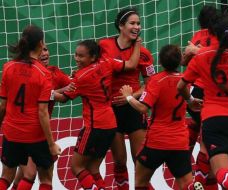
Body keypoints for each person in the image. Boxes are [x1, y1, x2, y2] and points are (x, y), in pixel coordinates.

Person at [177, 15, 228, 190]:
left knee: (221, 172)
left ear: (215, 35)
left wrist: (190, 100)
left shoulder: (202, 55)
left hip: (214, 117)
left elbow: (180, 86)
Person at [53, 38, 141, 189]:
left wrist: (46, 92)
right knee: (93, 169)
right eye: (76, 55)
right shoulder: (107, 62)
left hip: (94, 126)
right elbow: (132, 64)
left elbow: (62, 99)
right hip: (110, 124)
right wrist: (137, 44)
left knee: (76, 167)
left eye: (81, 56)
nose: (77, 59)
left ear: (93, 57)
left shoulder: (81, 78)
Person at [119, 44, 203, 190]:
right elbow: (191, 103)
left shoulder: (156, 81)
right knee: (185, 183)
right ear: (179, 61)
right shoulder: (185, 82)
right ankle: (191, 187)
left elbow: (142, 108)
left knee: (140, 183)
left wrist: (128, 97)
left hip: (157, 141)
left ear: (160, 62)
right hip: (179, 141)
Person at [99, 7, 155, 190]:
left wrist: (132, 96)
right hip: (111, 110)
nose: (137, 27)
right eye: (132, 23)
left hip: (133, 109)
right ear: (121, 26)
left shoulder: (144, 53)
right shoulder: (104, 46)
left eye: (138, 23)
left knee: (140, 161)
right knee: (119, 161)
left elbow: (151, 84)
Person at [0, 25, 61, 190]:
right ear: (41, 43)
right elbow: (42, 113)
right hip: (35, 136)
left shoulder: (8, 68)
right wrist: (51, 144)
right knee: (46, 178)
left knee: (6, 176)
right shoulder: (44, 74)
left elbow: (3, 106)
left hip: (11, 133)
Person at [10, 44, 73, 190]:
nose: (44, 53)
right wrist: (57, 92)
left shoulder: (54, 72)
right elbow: (42, 96)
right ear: (31, 54)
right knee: (35, 174)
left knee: (25, 173)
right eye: (40, 50)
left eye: (46, 49)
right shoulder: (27, 73)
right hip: (27, 130)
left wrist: (81, 76)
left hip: (39, 131)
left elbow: (70, 90)